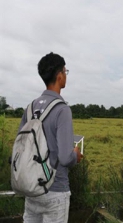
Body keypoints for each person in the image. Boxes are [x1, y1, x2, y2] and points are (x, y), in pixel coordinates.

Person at [17, 52, 83, 223]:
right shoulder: (62, 109)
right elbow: (65, 158)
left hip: (32, 189)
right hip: (56, 190)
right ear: (59, 75)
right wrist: (75, 154)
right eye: (65, 72)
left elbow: (21, 148)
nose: (66, 76)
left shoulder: (30, 108)